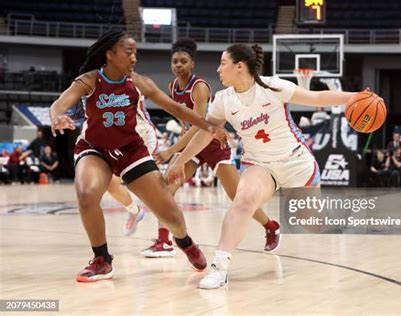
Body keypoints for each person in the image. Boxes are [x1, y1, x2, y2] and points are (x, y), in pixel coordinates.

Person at [167, 43, 365, 289]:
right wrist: (180, 159)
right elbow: (205, 133)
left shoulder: (273, 86)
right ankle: (220, 268)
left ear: (239, 67)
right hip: (260, 164)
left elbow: (317, 98)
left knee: (309, 221)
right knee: (243, 202)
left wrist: (354, 97)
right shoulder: (223, 100)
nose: (218, 69)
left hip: (295, 161)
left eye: (223, 63)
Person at [49, 30, 226, 282]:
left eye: (135, 53)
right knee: (87, 194)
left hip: (131, 150)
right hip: (95, 148)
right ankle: (102, 260)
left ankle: (184, 241)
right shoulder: (89, 80)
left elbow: (175, 108)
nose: (133, 57)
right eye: (128, 52)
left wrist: (209, 126)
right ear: (110, 54)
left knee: (171, 215)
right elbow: (60, 102)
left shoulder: (139, 82)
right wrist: (58, 116)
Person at [141, 39, 281, 258]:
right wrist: (180, 148)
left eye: (183, 61)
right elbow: (187, 124)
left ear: (192, 64)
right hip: (193, 146)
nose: (178, 65)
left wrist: (171, 151)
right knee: (167, 188)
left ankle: (271, 226)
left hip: (212, 143)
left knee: (238, 197)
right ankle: (163, 241)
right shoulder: (172, 87)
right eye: (175, 61)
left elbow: (200, 125)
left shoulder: (199, 88)